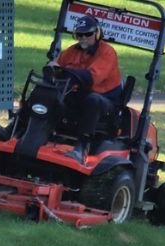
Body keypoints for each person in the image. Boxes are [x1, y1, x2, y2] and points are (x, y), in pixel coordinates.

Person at [46, 15, 122, 163]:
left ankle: (81, 148)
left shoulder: (107, 52)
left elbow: (91, 78)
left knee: (92, 100)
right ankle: (17, 130)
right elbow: (54, 65)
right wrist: (52, 68)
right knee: (46, 90)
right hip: (78, 95)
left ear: (97, 34)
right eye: (79, 34)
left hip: (104, 101)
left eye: (88, 34)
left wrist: (65, 72)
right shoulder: (72, 51)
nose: (83, 38)